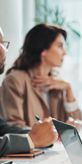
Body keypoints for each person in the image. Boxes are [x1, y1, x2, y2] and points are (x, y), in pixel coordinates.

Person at [0, 23, 82, 128]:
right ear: (43, 50)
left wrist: (68, 89)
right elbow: (14, 128)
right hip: (28, 145)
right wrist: (52, 133)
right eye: (60, 46)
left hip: (55, 145)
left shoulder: (57, 83)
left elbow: (77, 125)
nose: (64, 52)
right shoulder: (15, 80)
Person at [0, 26, 57, 156]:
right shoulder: (16, 79)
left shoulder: (56, 82)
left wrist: (43, 134)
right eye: (0, 42)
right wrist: (31, 140)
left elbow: (2, 128)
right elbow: (14, 123)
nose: (5, 48)